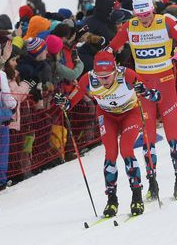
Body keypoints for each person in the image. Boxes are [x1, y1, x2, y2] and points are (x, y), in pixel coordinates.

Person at [108, 0, 177, 200]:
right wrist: (105, 64)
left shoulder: (165, 22)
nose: (144, 19)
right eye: (140, 15)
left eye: (146, 14)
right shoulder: (130, 26)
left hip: (166, 85)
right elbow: (110, 49)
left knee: (172, 133)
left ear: (152, 9)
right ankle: (152, 182)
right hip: (144, 88)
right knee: (147, 137)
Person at [55, 51, 160, 217]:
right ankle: (112, 200)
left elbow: (155, 95)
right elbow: (70, 103)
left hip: (130, 113)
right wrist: (63, 102)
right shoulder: (89, 79)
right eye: (100, 76)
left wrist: (144, 91)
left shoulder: (127, 75)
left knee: (126, 150)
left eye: (107, 77)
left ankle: (136, 196)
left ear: (115, 71)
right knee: (110, 153)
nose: (103, 81)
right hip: (107, 115)